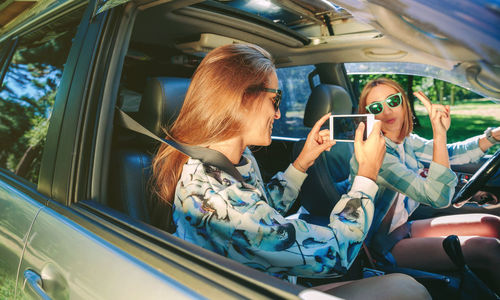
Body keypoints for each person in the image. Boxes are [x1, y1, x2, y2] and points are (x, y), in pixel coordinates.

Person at [152, 44, 430, 299]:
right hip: (251, 289)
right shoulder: (213, 192)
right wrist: (367, 174)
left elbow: (261, 210)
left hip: (267, 280)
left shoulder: (233, 159)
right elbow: (335, 254)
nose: (279, 114)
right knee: (406, 289)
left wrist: (302, 162)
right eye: (276, 99)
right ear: (241, 98)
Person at [351, 77, 500, 292]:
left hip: (403, 228)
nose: (386, 111)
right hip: (382, 245)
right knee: (489, 249)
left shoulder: (406, 141)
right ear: (367, 114)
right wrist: (439, 132)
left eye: (393, 101)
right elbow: (436, 196)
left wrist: (493, 137)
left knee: (491, 224)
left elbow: (449, 154)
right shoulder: (376, 154)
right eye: (375, 107)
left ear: (404, 103)